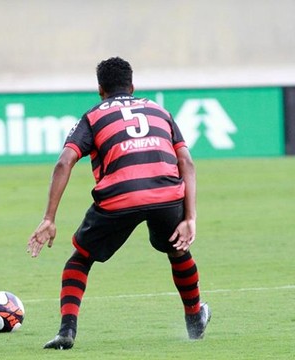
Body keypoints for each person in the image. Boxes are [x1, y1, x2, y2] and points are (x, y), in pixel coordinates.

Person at [27, 57, 211, 350]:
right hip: (166, 193)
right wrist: (191, 217)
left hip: (119, 197)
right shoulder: (157, 109)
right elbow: (186, 160)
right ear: (132, 86)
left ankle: (66, 332)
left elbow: (64, 162)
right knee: (178, 249)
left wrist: (49, 218)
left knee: (81, 259)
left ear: (101, 90)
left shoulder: (93, 115)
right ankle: (194, 318)